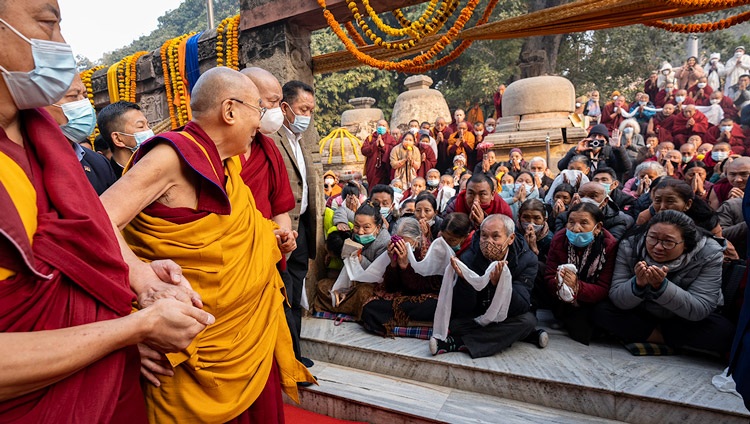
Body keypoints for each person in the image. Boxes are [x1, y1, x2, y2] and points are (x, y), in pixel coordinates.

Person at [0, 4, 214, 420]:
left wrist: (141, 279)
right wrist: (132, 329)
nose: (62, 45)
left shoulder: (43, 138)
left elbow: (91, 227)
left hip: (105, 386)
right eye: (48, 23)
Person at [100, 67, 315, 421]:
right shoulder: (172, 157)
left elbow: (235, 228)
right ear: (229, 111)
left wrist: (270, 239)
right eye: (257, 110)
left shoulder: (224, 165)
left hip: (245, 332)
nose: (261, 122)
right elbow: (99, 220)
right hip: (189, 345)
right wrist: (140, 280)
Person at [594, 211, 734, 357]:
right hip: (643, 311)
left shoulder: (709, 252)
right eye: (652, 238)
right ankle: (668, 339)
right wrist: (637, 285)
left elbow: (701, 307)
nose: (658, 247)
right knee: (601, 311)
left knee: (723, 333)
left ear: (686, 244)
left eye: (668, 242)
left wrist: (662, 288)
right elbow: (617, 296)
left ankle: (650, 335)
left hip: (682, 318)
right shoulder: (630, 243)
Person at [430, 214, 546, 357]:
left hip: (508, 316)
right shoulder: (469, 257)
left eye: (495, 237)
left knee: (527, 321)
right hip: (480, 315)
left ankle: (460, 343)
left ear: (510, 239)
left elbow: (521, 305)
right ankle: (519, 336)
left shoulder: (526, 259)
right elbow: (463, 308)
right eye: (484, 236)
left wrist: (500, 286)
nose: (488, 242)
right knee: (456, 325)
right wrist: (466, 281)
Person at [272, 80, 320, 369]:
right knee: (285, 293)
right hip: (282, 229)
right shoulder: (272, 138)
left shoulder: (299, 139)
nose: (307, 116)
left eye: (311, 110)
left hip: (301, 227)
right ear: (285, 107)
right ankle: (288, 357)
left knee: (297, 287)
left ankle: (295, 351)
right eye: (303, 109)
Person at [545, 203, 618, 345]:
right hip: (562, 296)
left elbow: (604, 287)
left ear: (597, 227)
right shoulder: (560, 239)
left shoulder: (608, 245)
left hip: (592, 298)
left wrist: (577, 287)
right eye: (571, 222)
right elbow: (549, 275)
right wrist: (560, 282)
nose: (576, 228)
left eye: (584, 223)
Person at [360, 217, 442, 336]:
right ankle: (401, 322)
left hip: (423, 299)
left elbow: (423, 288)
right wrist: (393, 264)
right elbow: (391, 288)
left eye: (406, 244)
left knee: (432, 307)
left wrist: (405, 267)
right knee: (370, 307)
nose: (402, 247)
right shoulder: (395, 251)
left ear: (416, 240)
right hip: (401, 297)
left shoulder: (428, 254)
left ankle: (402, 321)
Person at [238, 67, 296, 236]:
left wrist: (283, 235)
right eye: (272, 102)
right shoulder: (216, 150)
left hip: (264, 247)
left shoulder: (268, 148)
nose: (278, 110)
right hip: (226, 252)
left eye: (280, 103)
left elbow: (280, 210)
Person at [43, 74, 117, 194]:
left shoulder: (99, 163)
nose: (84, 103)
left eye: (85, 95)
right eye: (73, 96)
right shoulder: (25, 162)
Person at [555, 182, 633, 241]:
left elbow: (608, 245)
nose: (586, 200)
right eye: (581, 196)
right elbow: (560, 241)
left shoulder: (618, 220)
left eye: (592, 196)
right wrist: (571, 214)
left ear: (605, 201)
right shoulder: (563, 217)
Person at [98, 100, 154, 179]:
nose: (148, 131)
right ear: (118, 139)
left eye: (148, 125)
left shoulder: (158, 165)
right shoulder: (108, 181)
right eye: (141, 126)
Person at [557, 124, 631, 180]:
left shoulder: (610, 151)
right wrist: (576, 151)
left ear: (605, 141)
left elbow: (626, 168)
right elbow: (561, 167)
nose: (596, 139)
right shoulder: (580, 150)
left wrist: (618, 149)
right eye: (593, 136)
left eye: (600, 136)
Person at [361, 119, 398, 188]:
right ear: (376, 127)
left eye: (384, 126)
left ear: (387, 128)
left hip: (385, 168)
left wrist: (384, 146)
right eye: (379, 125)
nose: (381, 127)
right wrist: (374, 145)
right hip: (373, 168)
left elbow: (394, 151)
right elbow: (363, 150)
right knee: (373, 187)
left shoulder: (391, 139)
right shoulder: (370, 138)